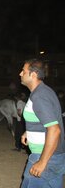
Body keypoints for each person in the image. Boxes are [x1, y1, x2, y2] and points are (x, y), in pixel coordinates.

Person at [19, 58, 65, 187]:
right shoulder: (42, 91)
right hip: (53, 156)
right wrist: (29, 131)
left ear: (33, 75)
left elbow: (54, 130)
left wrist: (42, 162)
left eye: (23, 71)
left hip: (46, 156)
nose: (20, 74)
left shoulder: (39, 96)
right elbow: (45, 119)